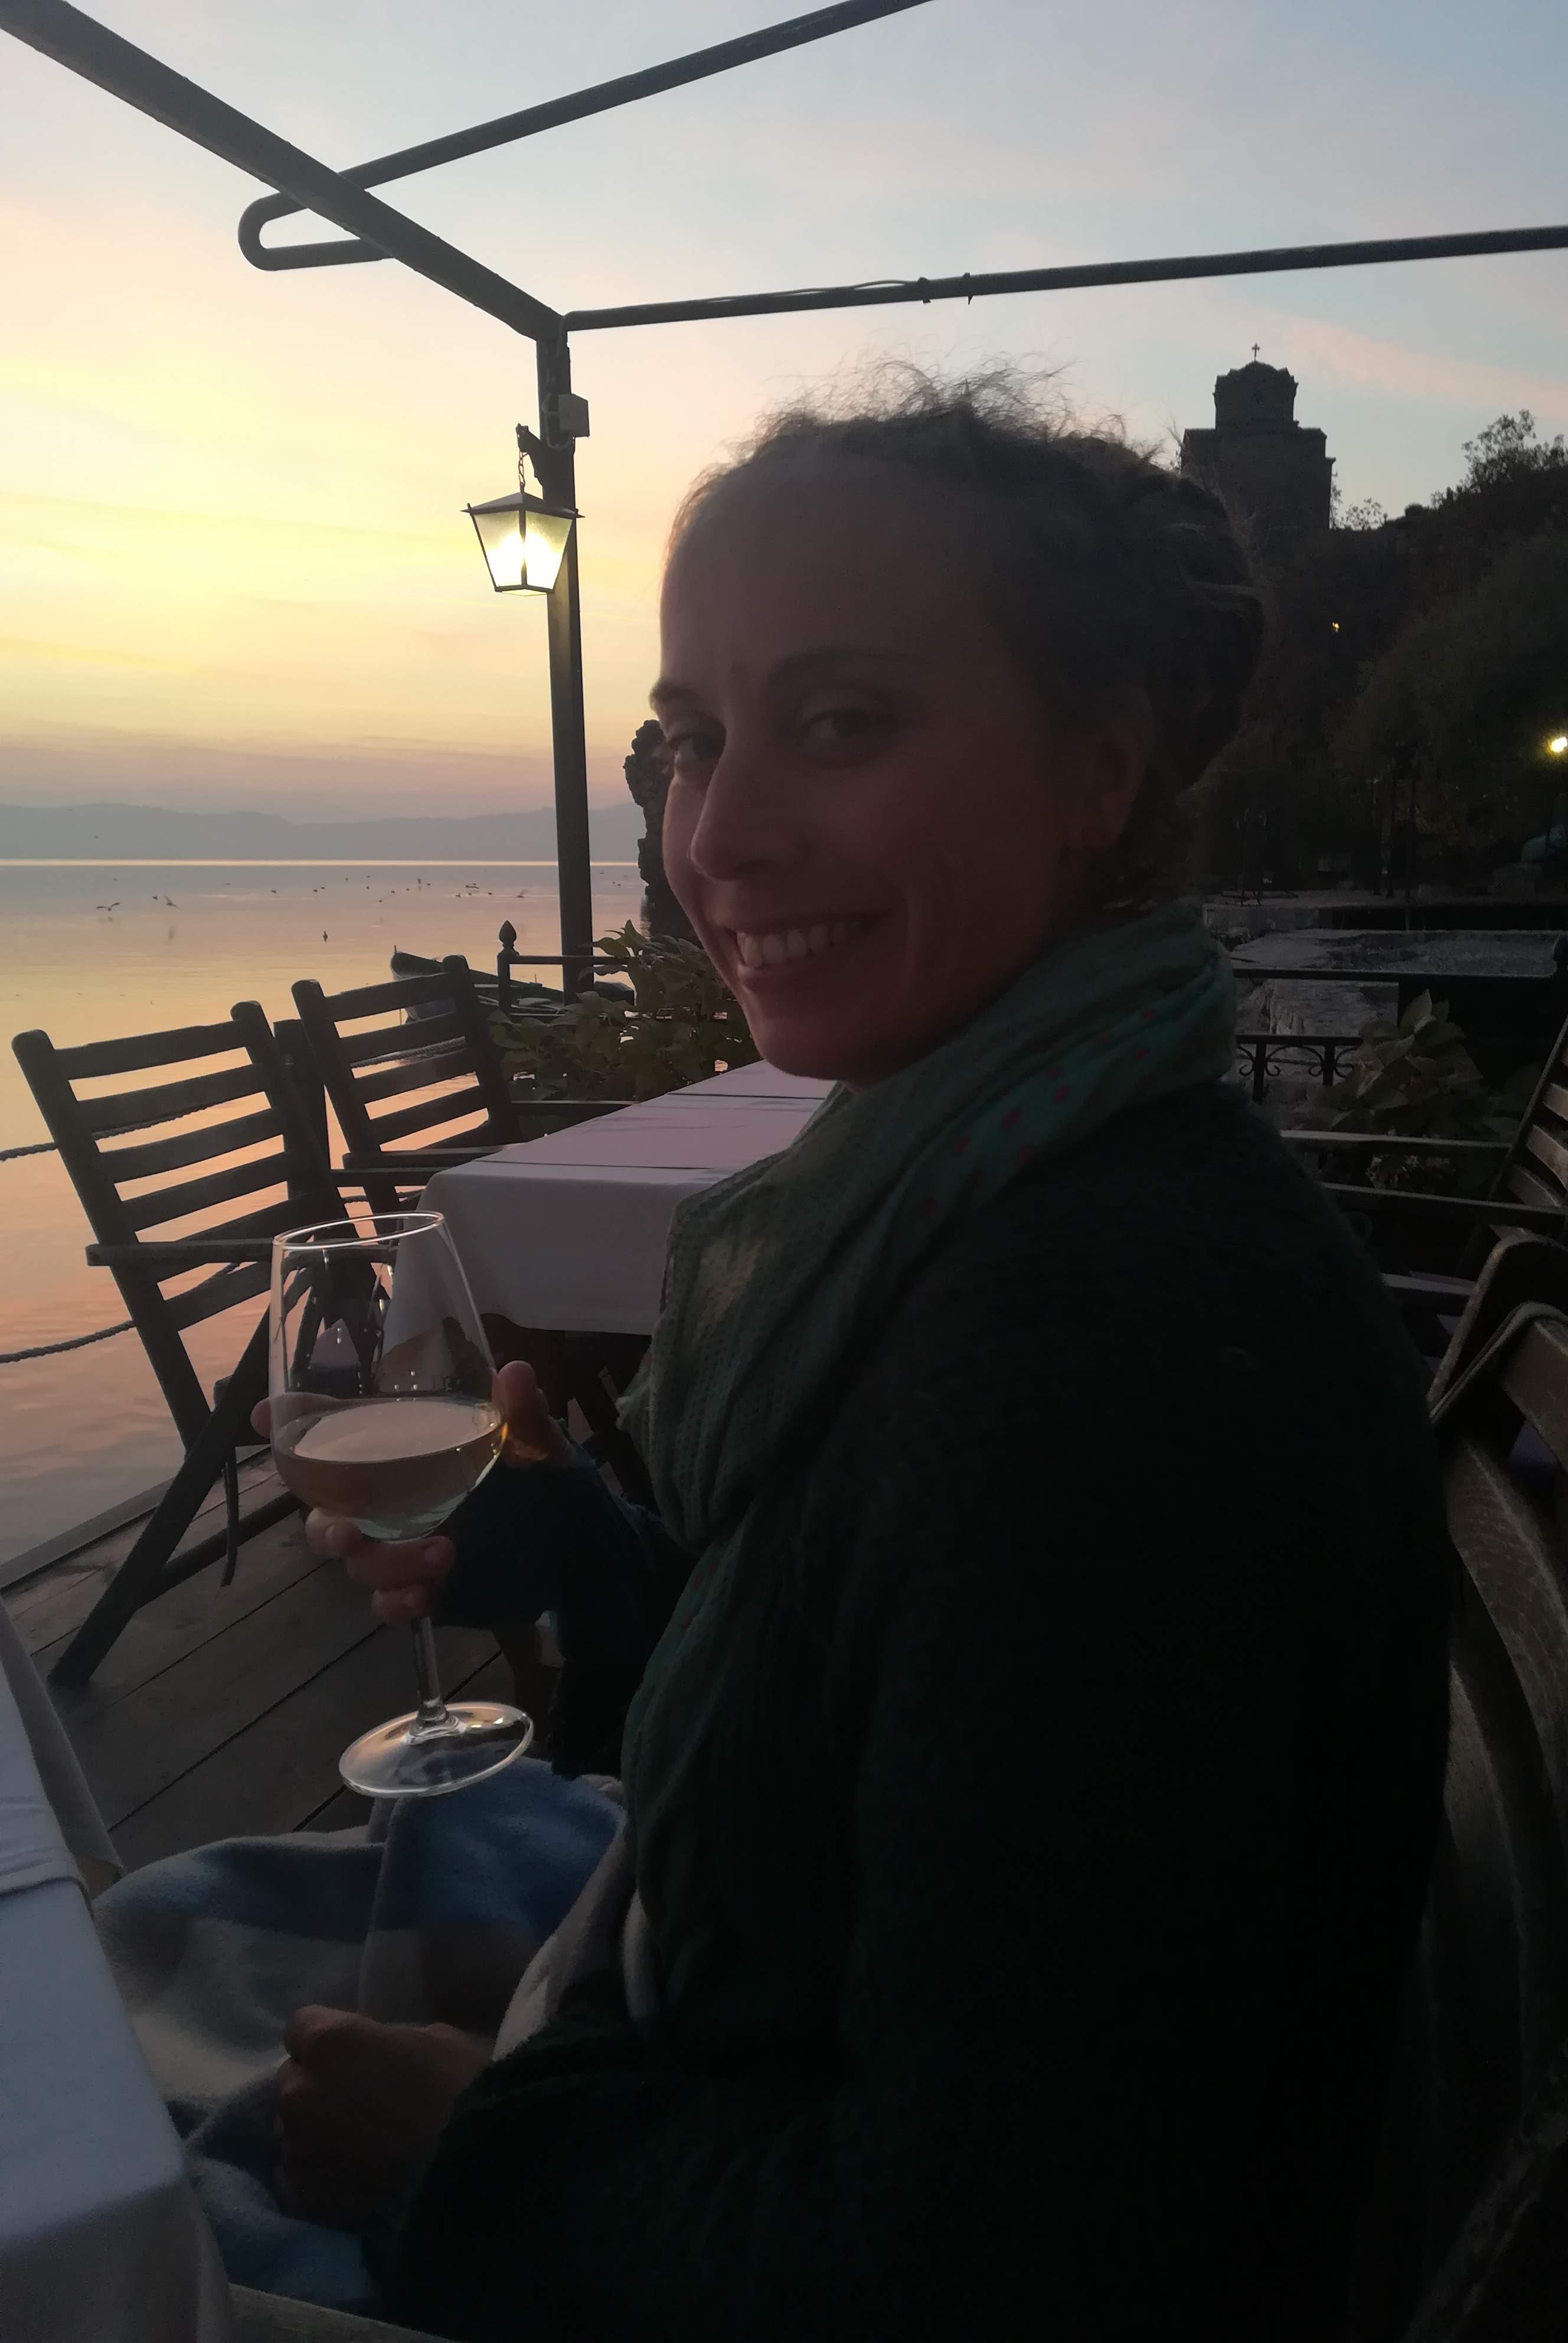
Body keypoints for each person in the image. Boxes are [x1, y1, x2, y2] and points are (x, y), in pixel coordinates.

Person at [268, 371, 1451, 2338]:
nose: (718, 836)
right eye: (690, 741)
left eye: (842, 724)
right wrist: (567, 1548)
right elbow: (873, 1686)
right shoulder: (984, 1193)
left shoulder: (1105, 1368)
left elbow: (993, 2267)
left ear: (1097, 775)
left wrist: (462, 2156)